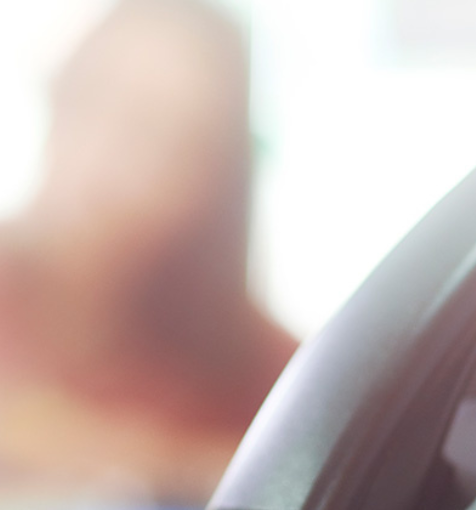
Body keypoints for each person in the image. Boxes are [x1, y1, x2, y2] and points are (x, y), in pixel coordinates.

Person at [0, 0, 295, 505]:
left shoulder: (255, 365)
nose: (109, 156)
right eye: (94, 100)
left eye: (160, 136)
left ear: (211, 181)